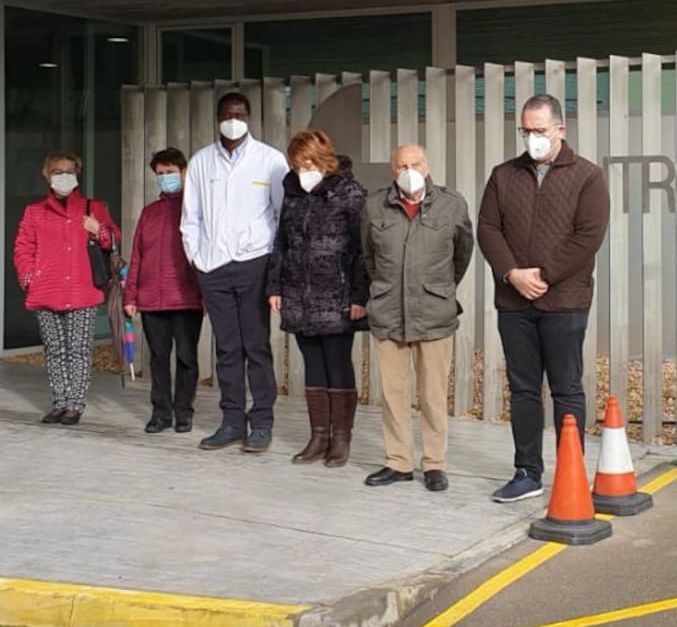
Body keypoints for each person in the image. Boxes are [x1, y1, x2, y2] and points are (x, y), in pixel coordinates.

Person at [477, 94, 609, 503]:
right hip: (514, 302)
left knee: (566, 388)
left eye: (540, 130)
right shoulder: (503, 175)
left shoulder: (587, 176)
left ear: (560, 129)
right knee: (523, 389)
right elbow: (487, 228)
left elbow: (588, 236)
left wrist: (544, 276)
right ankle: (526, 472)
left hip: (565, 300)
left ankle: (571, 472)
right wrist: (512, 274)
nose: (532, 137)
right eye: (526, 130)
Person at [361, 144, 473, 492]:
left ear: (427, 166)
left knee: (433, 394)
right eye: (402, 165)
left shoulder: (452, 204)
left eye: (416, 163)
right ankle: (398, 462)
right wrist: (383, 289)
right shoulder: (374, 206)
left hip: (434, 313)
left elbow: (462, 254)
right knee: (393, 394)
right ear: (393, 170)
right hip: (389, 312)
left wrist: (440, 288)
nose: (409, 170)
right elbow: (368, 256)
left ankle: (435, 463)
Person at [181, 92, 288, 453]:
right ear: (217, 118)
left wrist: (272, 263)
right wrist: (198, 259)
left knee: (256, 345)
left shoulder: (271, 160)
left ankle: (262, 423)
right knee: (226, 347)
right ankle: (231, 421)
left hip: (254, 263)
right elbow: (190, 218)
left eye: (239, 115)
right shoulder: (201, 162)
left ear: (249, 117)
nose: (233, 121)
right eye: (227, 115)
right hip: (213, 267)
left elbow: (282, 216)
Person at [266, 130, 368, 467]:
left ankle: (341, 438)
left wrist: (359, 296)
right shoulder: (293, 194)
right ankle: (319, 436)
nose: (303, 172)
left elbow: (363, 250)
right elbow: (281, 242)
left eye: (309, 164)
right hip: (299, 296)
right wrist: (275, 287)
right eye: (297, 166)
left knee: (337, 364)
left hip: (337, 297)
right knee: (312, 365)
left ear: (324, 161)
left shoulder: (350, 193)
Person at [14, 152, 119, 425]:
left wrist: (98, 229)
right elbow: (23, 248)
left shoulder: (92, 207)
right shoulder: (35, 211)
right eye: (57, 171)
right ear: (47, 175)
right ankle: (59, 402)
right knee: (54, 350)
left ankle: (75, 404)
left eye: (69, 171)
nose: (64, 176)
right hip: (46, 290)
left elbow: (113, 241)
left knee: (79, 350)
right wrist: (29, 278)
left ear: (77, 174)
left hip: (82, 290)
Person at [124, 148, 203, 434]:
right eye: (160, 174)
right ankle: (160, 413)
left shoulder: (195, 209)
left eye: (170, 172)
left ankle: (184, 412)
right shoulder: (150, 212)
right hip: (151, 300)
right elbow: (137, 256)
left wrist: (205, 294)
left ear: (183, 172)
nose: (165, 178)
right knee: (158, 359)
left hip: (186, 299)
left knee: (186, 358)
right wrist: (130, 296)